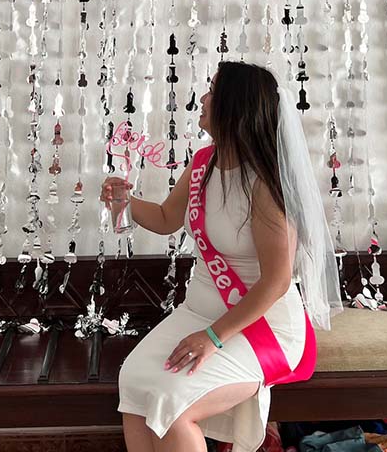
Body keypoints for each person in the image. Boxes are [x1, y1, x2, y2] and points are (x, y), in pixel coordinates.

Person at [99, 61, 342, 452]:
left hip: (260, 327)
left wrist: (213, 338)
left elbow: (277, 282)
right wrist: (124, 201)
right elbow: (165, 218)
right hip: (198, 312)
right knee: (135, 383)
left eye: (212, 90)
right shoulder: (202, 164)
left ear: (234, 106)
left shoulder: (265, 185)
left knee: (172, 404)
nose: (203, 98)